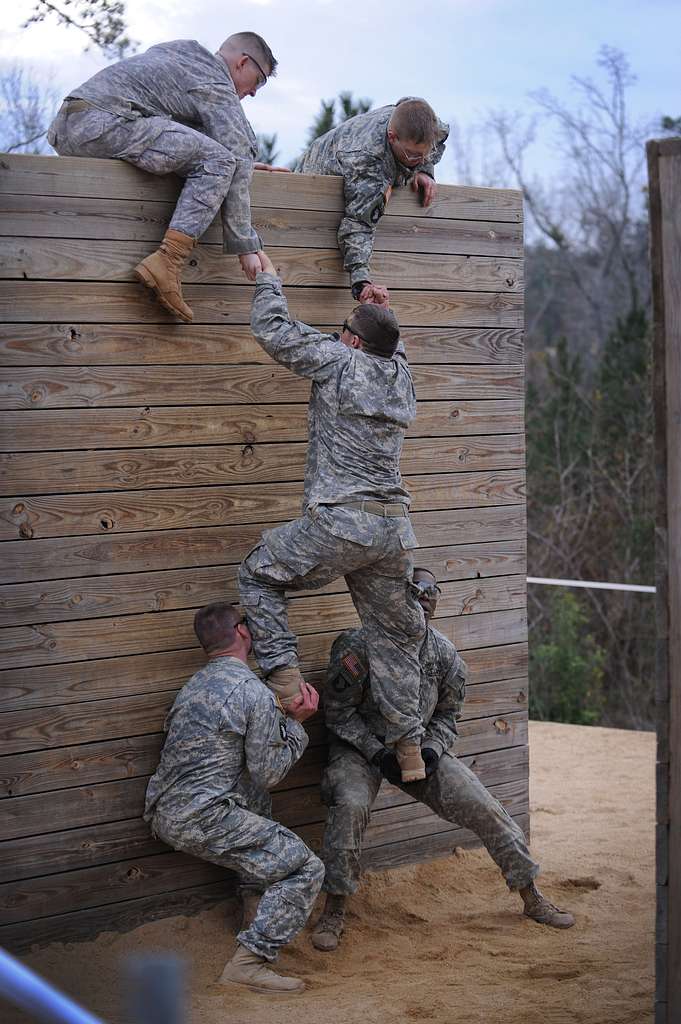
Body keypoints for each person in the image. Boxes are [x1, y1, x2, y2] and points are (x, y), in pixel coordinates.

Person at [310, 567, 576, 952]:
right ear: (397, 599)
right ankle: (335, 909)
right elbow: (338, 713)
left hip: (419, 751)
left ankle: (531, 895)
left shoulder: (445, 654)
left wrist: (433, 748)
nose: (424, 597)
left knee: (485, 807)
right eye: (415, 590)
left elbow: (449, 715)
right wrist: (376, 752)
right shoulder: (359, 646)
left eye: (431, 590)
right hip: (361, 750)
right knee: (349, 806)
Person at [237, 250, 428, 783]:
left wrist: (268, 280)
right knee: (394, 639)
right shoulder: (402, 378)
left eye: (345, 329)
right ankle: (410, 750)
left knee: (258, 573)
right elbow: (392, 344)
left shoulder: (339, 361)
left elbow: (274, 330)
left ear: (351, 341)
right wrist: (377, 309)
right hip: (392, 531)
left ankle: (285, 685)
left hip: (342, 523)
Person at [143, 601, 323, 994]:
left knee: (254, 803)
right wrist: (294, 724)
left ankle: (252, 914)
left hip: (163, 812)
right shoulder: (252, 692)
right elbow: (270, 772)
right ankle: (250, 962)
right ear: (242, 632)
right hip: (203, 818)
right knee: (306, 869)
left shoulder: (193, 686)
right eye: (250, 625)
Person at [48, 33, 284, 323]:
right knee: (219, 162)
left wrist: (245, 163)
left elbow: (194, 132)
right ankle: (167, 262)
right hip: (103, 123)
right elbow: (232, 155)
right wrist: (246, 245)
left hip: (71, 125)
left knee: (218, 158)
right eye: (259, 81)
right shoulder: (215, 81)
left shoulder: (184, 55)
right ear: (242, 62)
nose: (255, 93)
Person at [297, 98, 449, 306]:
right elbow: (358, 225)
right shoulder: (367, 159)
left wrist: (423, 170)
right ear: (392, 137)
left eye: (424, 154)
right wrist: (361, 282)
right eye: (413, 155)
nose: (420, 159)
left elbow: (407, 102)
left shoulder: (432, 127)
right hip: (315, 178)